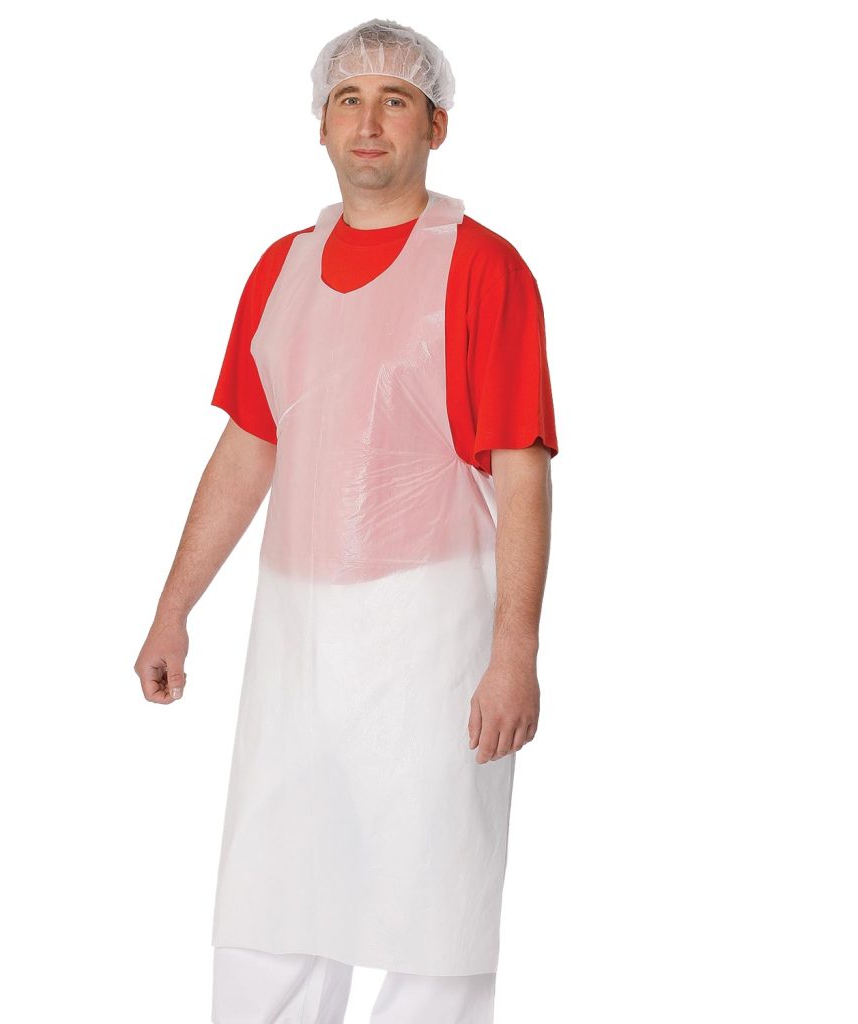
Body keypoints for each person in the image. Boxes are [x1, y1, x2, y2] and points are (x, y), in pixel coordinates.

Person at [133, 18, 559, 1024]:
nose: (368, 123)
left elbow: (522, 471)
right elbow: (250, 446)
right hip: (296, 639)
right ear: (320, 124)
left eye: (395, 101)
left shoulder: (483, 268)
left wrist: (514, 649)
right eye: (348, 100)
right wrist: (172, 610)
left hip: (433, 636)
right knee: (272, 895)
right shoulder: (282, 268)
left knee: (433, 901)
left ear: (435, 126)